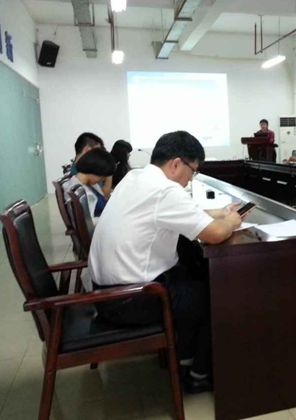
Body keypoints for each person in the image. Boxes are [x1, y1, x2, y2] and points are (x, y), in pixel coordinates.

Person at [88, 131, 243, 393]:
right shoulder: (165, 190)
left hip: (106, 294)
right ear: (176, 164)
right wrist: (230, 221)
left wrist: (218, 213)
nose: (190, 179)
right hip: (130, 300)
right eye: (193, 171)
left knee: (190, 273)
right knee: (215, 294)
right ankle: (198, 375)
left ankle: (184, 358)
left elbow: (180, 212)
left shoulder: (135, 177)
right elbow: (216, 234)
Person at [63, 148, 116, 224]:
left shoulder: (81, 183)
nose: (102, 179)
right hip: (100, 226)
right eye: (103, 176)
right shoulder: (81, 193)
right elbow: (89, 224)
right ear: (96, 170)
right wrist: (113, 219)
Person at [70, 132, 112, 199]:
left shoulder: (76, 170)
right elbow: (105, 195)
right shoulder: (85, 174)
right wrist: (109, 170)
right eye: (97, 152)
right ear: (87, 150)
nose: (99, 156)